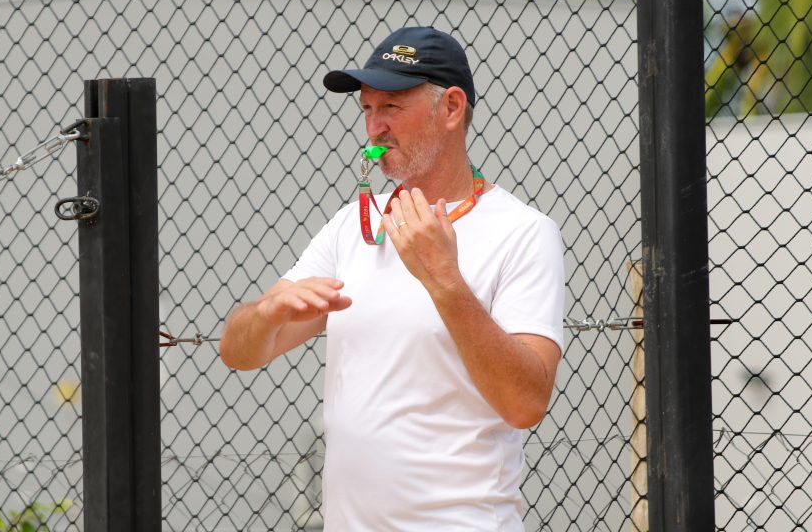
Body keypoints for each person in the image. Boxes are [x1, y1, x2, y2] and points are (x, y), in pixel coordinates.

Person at [220, 26, 565, 530]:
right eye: (366, 109)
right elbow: (238, 353)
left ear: (450, 108)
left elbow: (526, 403)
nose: (374, 129)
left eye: (391, 109)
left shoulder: (523, 232)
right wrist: (268, 312)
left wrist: (445, 282)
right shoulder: (350, 224)